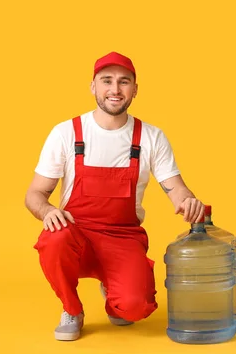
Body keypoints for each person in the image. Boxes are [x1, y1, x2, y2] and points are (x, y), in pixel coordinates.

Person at [24, 51, 205, 341]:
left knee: (134, 309)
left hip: (122, 238)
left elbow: (176, 188)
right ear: (93, 86)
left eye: (124, 82)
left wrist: (188, 201)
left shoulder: (150, 137)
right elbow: (35, 194)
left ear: (135, 89)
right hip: (75, 236)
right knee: (53, 237)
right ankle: (72, 309)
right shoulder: (66, 133)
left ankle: (115, 290)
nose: (115, 89)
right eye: (106, 81)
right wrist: (47, 212)